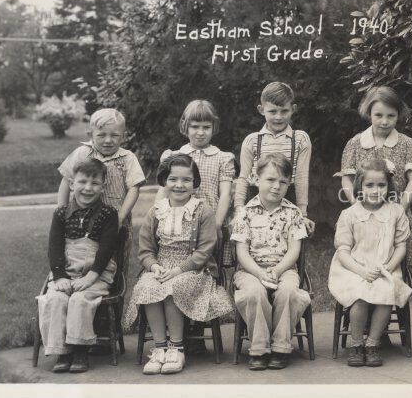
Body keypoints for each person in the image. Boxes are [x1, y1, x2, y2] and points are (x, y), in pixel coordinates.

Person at [123, 155, 233, 375]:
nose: (179, 185)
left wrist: (179, 270)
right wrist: (154, 266)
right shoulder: (156, 211)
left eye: (186, 180)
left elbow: (205, 250)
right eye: (173, 179)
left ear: (195, 183)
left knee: (173, 288)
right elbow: (145, 249)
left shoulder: (202, 210)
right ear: (164, 181)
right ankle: (160, 347)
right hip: (161, 267)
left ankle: (177, 348)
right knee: (148, 286)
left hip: (194, 269)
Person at [155, 99, 236, 354]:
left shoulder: (222, 158)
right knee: (176, 273)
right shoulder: (174, 156)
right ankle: (177, 331)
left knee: (200, 274)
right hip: (177, 227)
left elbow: (226, 194)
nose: (200, 132)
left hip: (207, 227)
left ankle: (196, 330)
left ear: (214, 127)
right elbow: (163, 192)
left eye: (206, 127)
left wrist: (217, 224)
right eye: (195, 127)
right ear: (185, 126)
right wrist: (159, 216)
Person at [37, 159, 120, 374]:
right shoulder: (61, 213)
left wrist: (91, 276)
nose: (88, 188)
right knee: (55, 299)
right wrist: (59, 277)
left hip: (96, 274)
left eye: (95, 183)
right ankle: (62, 352)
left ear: (103, 187)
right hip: (66, 273)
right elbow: (54, 248)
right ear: (72, 184)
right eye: (82, 182)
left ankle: (80, 350)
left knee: (79, 299)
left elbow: (106, 250)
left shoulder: (108, 214)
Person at [329, 159, 412, 368]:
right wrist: (361, 271)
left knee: (385, 295)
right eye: (369, 185)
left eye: (381, 185)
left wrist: (389, 267)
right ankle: (357, 344)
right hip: (353, 268)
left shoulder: (396, 212)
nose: (376, 191)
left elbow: (401, 246)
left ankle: (373, 343)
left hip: (386, 267)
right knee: (360, 297)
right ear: (360, 186)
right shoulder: (349, 214)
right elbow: (343, 251)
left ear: (388, 186)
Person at [231, 154, 311, 371]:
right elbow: (242, 252)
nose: (277, 186)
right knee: (254, 292)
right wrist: (259, 273)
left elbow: (294, 250)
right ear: (256, 179)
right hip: (250, 269)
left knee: (288, 292)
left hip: (284, 268)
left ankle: (280, 347)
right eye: (270, 180)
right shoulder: (245, 213)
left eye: (283, 182)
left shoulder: (293, 213)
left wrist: (277, 270)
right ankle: (259, 348)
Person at [337, 86, 412, 266]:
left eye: (391, 116)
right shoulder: (355, 143)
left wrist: (401, 210)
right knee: (364, 259)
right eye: (378, 115)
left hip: (397, 209)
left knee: (397, 260)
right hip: (364, 214)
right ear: (369, 113)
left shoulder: (407, 143)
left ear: (398, 115)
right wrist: (357, 206)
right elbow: (347, 179)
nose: (384, 121)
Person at [233, 82, 314, 232]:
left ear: (293, 109)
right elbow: (243, 177)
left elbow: (301, 178)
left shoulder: (300, 139)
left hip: (288, 198)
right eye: (272, 111)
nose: (278, 117)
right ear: (261, 110)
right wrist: (239, 209)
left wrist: (302, 213)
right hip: (257, 200)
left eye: (284, 111)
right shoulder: (252, 141)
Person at [57, 108, 145, 226]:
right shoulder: (81, 154)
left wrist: (120, 217)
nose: (108, 140)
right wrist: (61, 213)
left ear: (123, 137)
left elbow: (134, 189)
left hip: (115, 222)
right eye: (101, 135)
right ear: (90, 135)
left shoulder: (128, 158)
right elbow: (66, 180)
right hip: (82, 221)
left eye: (114, 135)